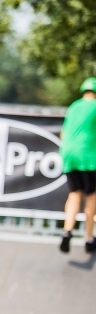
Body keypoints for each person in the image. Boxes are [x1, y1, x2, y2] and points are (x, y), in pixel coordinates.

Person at [59, 77, 96, 254]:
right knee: (91, 196)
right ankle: (89, 238)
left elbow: (63, 133)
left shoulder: (74, 106)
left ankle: (67, 230)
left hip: (68, 154)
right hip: (87, 156)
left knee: (74, 194)